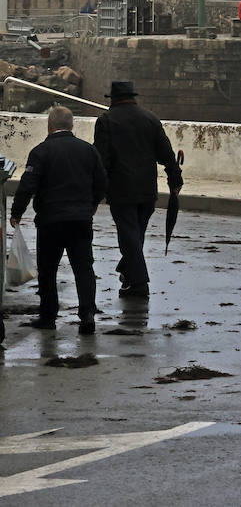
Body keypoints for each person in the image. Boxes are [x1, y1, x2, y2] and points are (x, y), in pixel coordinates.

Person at [8, 106, 107, 335]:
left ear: (49, 125)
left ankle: (48, 316)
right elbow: (102, 183)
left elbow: (28, 185)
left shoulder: (41, 151)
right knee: (83, 268)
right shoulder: (89, 151)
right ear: (71, 126)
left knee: (48, 269)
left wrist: (17, 212)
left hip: (50, 220)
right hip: (81, 220)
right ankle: (87, 314)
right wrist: (90, 206)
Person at [94, 80, 182, 299]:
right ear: (133, 97)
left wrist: (95, 190)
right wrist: (175, 178)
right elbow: (166, 154)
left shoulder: (106, 121)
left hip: (121, 189)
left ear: (112, 99)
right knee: (136, 235)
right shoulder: (150, 118)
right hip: (147, 189)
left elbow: (101, 160)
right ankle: (128, 273)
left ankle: (139, 283)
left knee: (129, 237)